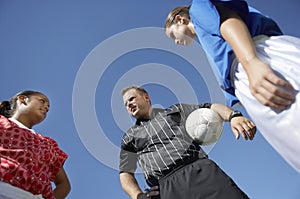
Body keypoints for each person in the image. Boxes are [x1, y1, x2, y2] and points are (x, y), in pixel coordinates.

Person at [164, 0, 300, 173]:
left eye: (173, 36)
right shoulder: (207, 40)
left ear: (180, 20)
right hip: (248, 72)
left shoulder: (199, 10)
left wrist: (251, 62)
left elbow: (227, 20)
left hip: (258, 58)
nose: (176, 42)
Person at [119, 85, 256, 199]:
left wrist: (233, 116)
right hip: (167, 189)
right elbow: (125, 173)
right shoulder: (129, 137)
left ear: (146, 97)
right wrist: (138, 196)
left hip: (201, 172)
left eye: (131, 99)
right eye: (125, 104)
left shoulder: (175, 111)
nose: (129, 105)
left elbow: (210, 108)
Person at [0, 90, 71, 199]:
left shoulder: (47, 144)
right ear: (23, 99)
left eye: (48, 107)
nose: (46, 107)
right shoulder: (2, 123)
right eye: (42, 101)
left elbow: (64, 185)